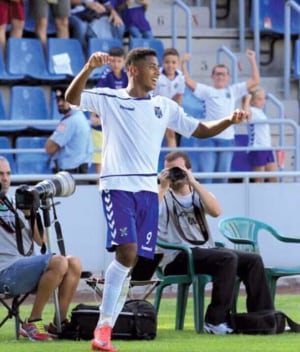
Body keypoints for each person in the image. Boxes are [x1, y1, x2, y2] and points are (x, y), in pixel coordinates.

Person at [65, 47, 249, 352]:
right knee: (127, 252)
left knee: (132, 259)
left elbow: (200, 130)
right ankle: (104, 329)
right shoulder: (111, 98)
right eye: (152, 67)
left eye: (158, 68)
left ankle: (105, 329)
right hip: (117, 186)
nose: (157, 72)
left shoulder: (164, 106)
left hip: (148, 191)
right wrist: (87, 68)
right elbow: (73, 98)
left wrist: (228, 120)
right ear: (133, 70)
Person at [157, 150, 274, 334]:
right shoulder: (161, 197)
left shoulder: (198, 193)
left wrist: (193, 182)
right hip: (176, 257)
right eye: (168, 170)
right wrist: (162, 187)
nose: (174, 175)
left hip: (205, 252)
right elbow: (148, 220)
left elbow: (216, 211)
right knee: (227, 257)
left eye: (178, 170)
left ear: (189, 170)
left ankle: (264, 318)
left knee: (253, 260)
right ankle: (214, 321)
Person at [0, 156, 82, 341]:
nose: (5, 178)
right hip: (5, 272)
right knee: (59, 261)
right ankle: (33, 321)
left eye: (8, 173)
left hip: (27, 269)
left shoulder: (18, 201)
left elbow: (40, 241)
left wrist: (30, 215)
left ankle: (58, 325)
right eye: (0, 174)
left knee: (74, 263)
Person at [181, 49, 260, 183]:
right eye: (217, 74)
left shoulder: (233, 90)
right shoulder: (207, 91)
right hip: (208, 138)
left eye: (223, 74)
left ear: (228, 77)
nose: (220, 76)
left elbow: (255, 80)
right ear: (212, 76)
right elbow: (188, 81)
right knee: (207, 176)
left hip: (227, 139)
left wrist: (252, 59)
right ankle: (205, 204)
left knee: (222, 178)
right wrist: (183, 63)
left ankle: (219, 204)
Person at [91, 46, 128, 174]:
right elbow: (96, 95)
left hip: (120, 123)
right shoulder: (105, 76)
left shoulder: (127, 77)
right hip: (104, 123)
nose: (116, 64)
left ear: (124, 62)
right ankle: (98, 184)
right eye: (112, 61)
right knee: (100, 157)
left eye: (119, 61)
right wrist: (94, 115)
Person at [45, 86, 93, 174]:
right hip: (78, 173)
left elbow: (49, 148)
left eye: (63, 99)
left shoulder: (70, 121)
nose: (59, 103)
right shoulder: (80, 116)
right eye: (58, 100)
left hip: (70, 175)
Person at [242, 87, 278, 183]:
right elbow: (245, 113)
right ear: (253, 101)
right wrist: (248, 98)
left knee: (274, 177)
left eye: (264, 98)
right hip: (257, 148)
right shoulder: (252, 110)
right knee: (259, 179)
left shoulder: (261, 112)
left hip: (267, 147)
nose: (263, 101)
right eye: (259, 99)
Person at [153, 47, 185, 147]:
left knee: (174, 131)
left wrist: (175, 111)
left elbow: (179, 96)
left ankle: (174, 159)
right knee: (169, 132)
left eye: (173, 62)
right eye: (167, 62)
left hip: (171, 109)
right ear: (162, 62)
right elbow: (152, 97)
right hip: (155, 109)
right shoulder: (155, 75)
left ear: (178, 63)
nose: (170, 65)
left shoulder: (180, 76)